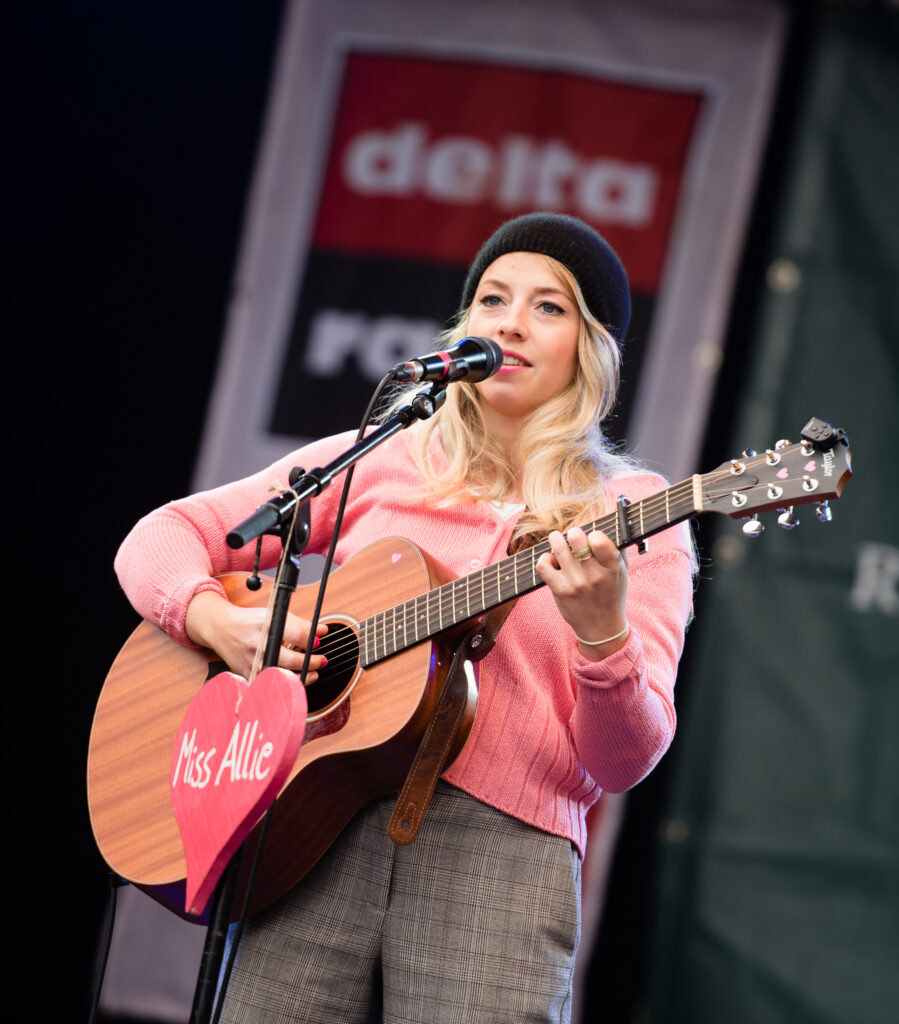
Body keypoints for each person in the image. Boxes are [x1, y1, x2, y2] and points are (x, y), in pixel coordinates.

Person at [115, 212, 695, 1023]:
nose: (511, 322)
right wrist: (216, 621)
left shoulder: (634, 513)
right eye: (492, 299)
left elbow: (624, 758)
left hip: (499, 859)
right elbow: (163, 537)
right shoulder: (385, 461)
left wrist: (604, 635)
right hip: (314, 824)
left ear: (590, 350)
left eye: (549, 307)